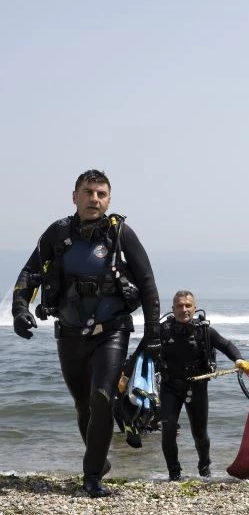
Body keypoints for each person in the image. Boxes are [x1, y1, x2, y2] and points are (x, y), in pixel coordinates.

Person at [11, 169, 161, 498]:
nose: (95, 199)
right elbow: (29, 273)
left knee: (102, 397)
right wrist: (19, 309)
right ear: (75, 196)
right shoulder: (57, 234)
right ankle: (99, 460)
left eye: (101, 194)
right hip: (69, 333)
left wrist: (153, 334)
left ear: (108, 200)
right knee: (83, 405)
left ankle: (92, 477)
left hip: (112, 330)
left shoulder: (121, 234)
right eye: (88, 192)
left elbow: (148, 284)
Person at [155, 290, 249, 481]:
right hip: (170, 386)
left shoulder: (204, 330)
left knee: (200, 434)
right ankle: (174, 474)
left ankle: (204, 468)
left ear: (194, 307)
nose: (184, 309)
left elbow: (226, 345)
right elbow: (143, 348)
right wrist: (124, 375)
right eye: (180, 306)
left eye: (188, 305)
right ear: (172, 308)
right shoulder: (163, 330)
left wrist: (239, 359)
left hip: (197, 386)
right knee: (168, 431)